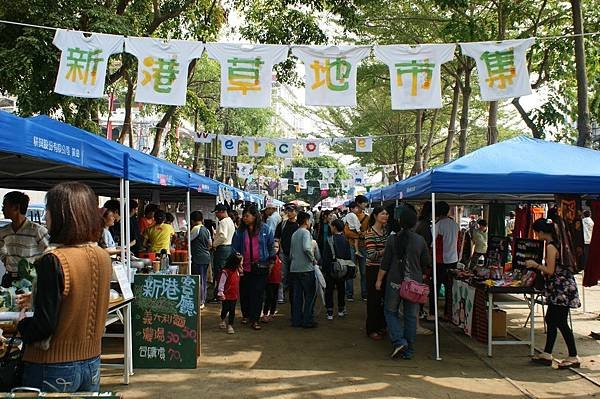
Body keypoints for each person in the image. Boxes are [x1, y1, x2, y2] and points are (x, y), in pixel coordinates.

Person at [17, 182, 112, 392]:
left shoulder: (54, 259)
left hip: (51, 364)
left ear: (61, 215)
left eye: (48, 211)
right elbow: (77, 298)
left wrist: (22, 324)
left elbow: (44, 325)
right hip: (91, 362)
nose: (45, 217)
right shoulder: (103, 257)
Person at [377, 207, 430, 360]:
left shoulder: (392, 239)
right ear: (414, 223)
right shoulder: (420, 240)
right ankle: (409, 349)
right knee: (411, 317)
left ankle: (399, 341)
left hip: (394, 282)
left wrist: (379, 280)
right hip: (413, 284)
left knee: (390, 312)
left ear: (399, 222)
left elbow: (385, 263)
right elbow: (426, 262)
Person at [527, 218, 581, 368]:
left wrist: (535, 265)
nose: (536, 235)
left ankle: (573, 356)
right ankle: (547, 353)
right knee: (551, 319)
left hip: (561, 289)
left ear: (543, 232)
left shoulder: (551, 247)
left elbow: (550, 270)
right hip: (560, 288)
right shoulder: (557, 243)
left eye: (537, 232)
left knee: (561, 322)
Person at [232, 206, 275, 330]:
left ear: (255, 216)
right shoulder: (240, 231)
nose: (244, 218)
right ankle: (246, 315)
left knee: (258, 293)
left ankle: (255, 319)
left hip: (261, 266)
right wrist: (237, 260)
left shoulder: (265, 229)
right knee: (245, 292)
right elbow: (234, 247)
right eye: (244, 216)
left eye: (247, 216)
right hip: (244, 268)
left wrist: (271, 261)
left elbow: (271, 246)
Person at [0, 191, 49, 287]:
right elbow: (0, 246)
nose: (2, 209)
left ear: (16, 207)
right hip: (9, 279)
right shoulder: (4, 231)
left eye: (5, 205)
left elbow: (49, 252)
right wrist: (5, 258)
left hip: (29, 281)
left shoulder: (37, 230)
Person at [428, 201, 459, 320]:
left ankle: (432, 313)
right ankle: (448, 313)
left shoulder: (438, 225)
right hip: (453, 259)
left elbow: (432, 244)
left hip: (440, 260)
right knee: (449, 288)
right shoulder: (455, 224)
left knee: (435, 287)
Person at [289, 211, 318, 328]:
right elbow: (307, 248)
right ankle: (307, 320)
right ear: (306, 221)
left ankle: (296, 320)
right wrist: (313, 259)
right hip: (306, 268)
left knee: (297, 297)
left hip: (294, 268)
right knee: (310, 295)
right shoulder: (305, 233)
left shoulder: (294, 234)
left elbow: (291, 253)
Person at [365, 206, 389, 340]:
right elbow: (371, 255)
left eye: (386, 214)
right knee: (374, 300)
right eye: (383, 214)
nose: (385, 216)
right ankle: (372, 329)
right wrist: (386, 250)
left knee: (383, 300)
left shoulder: (385, 232)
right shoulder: (370, 233)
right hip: (373, 270)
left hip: (384, 269)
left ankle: (381, 326)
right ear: (375, 216)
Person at [321, 219, 352, 320]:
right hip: (342, 268)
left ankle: (330, 312)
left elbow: (326, 257)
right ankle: (341, 310)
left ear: (334, 227)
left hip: (331, 268)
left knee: (329, 290)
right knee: (341, 289)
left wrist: (324, 269)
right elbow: (348, 256)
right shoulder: (346, 240)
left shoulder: (329, 240)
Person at [344, 196, 370, 302]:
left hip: (363, 246)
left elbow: (369, 231)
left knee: (364, 272)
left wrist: (363, 234)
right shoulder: (349, 216)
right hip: (351, 245)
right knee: (350, 270)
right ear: (358, 204)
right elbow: (346, 231)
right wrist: (359, 235)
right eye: (364, 203)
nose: (365, 205)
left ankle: (364, 293)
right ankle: (349, 293)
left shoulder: (367, 217)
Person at [274, 203, 299, 302]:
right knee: (282, 275)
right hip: (283, 253)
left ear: (296, 212)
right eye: (287, 211)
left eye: (291, 211)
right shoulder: (282, 224)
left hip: (296, 255)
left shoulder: (298, 224)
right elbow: (277, 237)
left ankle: (294, 296)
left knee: (294, 276)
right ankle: (281, 296)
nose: (289, 213)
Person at [212, 204, 235, 299]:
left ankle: (219, 293)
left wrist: (214, 244)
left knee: (220, 272)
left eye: (217, 213)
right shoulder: (230, 221)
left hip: (222, 249)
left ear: (221, 212)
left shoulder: (223, 222)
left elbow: (222, 236)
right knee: (225, 271)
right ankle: (222, 291)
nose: (216, 215)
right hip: (228, 247)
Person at [190, 211, 212, 308]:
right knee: (203, 279)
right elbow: (210, 244)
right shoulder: (206, 230)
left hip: (198, 258)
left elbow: (188, 241)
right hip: (206, 257)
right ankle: (202, 299)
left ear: (192, 221)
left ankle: (201, 301)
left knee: (199, 279)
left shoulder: (195, 229)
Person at [217, 252, 243, 334]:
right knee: (225, 309)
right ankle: (222, 319)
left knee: (232, 310)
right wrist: (221, 292)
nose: (242, 263)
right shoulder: (225, 272)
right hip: (226, 294)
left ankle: (230, 325)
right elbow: (222, 282)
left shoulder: (238, 270)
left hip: (234, 294)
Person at [262, 241, 282, 323]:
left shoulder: (279, 258)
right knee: (268, 297)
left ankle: (272, 313)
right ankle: (265, 314)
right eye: (274, 247)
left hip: (277, 281)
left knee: (274, 298)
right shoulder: (269, 258)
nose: (275, 248)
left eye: (277, 247)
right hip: (269, 281)